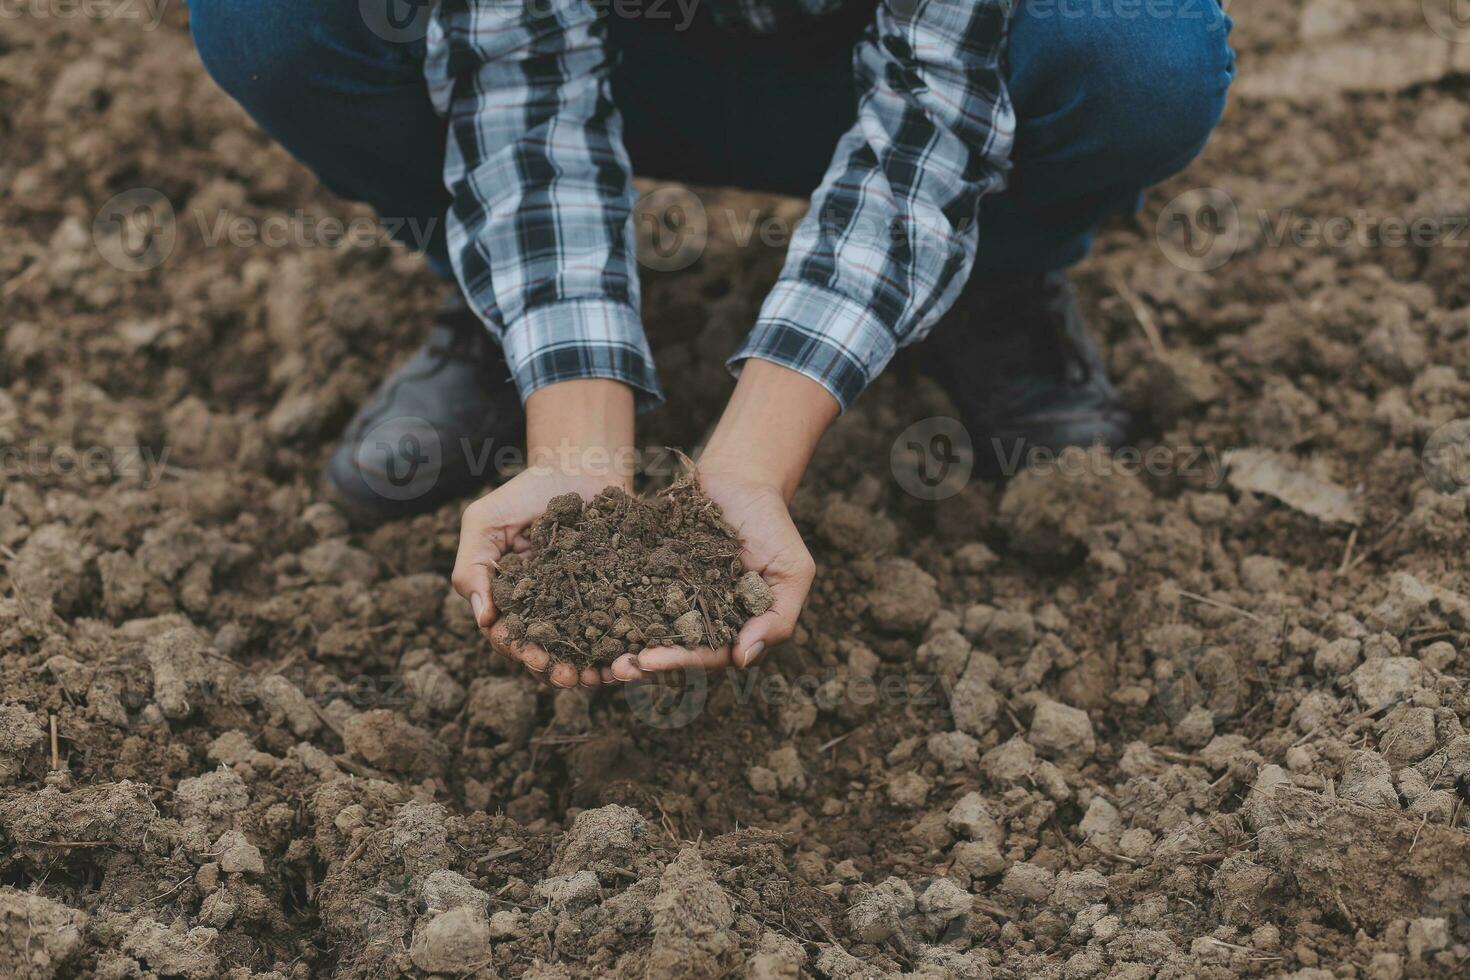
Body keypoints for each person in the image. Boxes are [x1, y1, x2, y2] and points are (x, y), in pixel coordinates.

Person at [189, 0, 1234, 688]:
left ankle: (991, 273)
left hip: (893, 56)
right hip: (631, 56)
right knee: (277, 18)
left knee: (1135, 47)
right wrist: (577, 453)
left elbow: (931, 113)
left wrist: (746, 467)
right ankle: (502, 307)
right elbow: (518, 84)